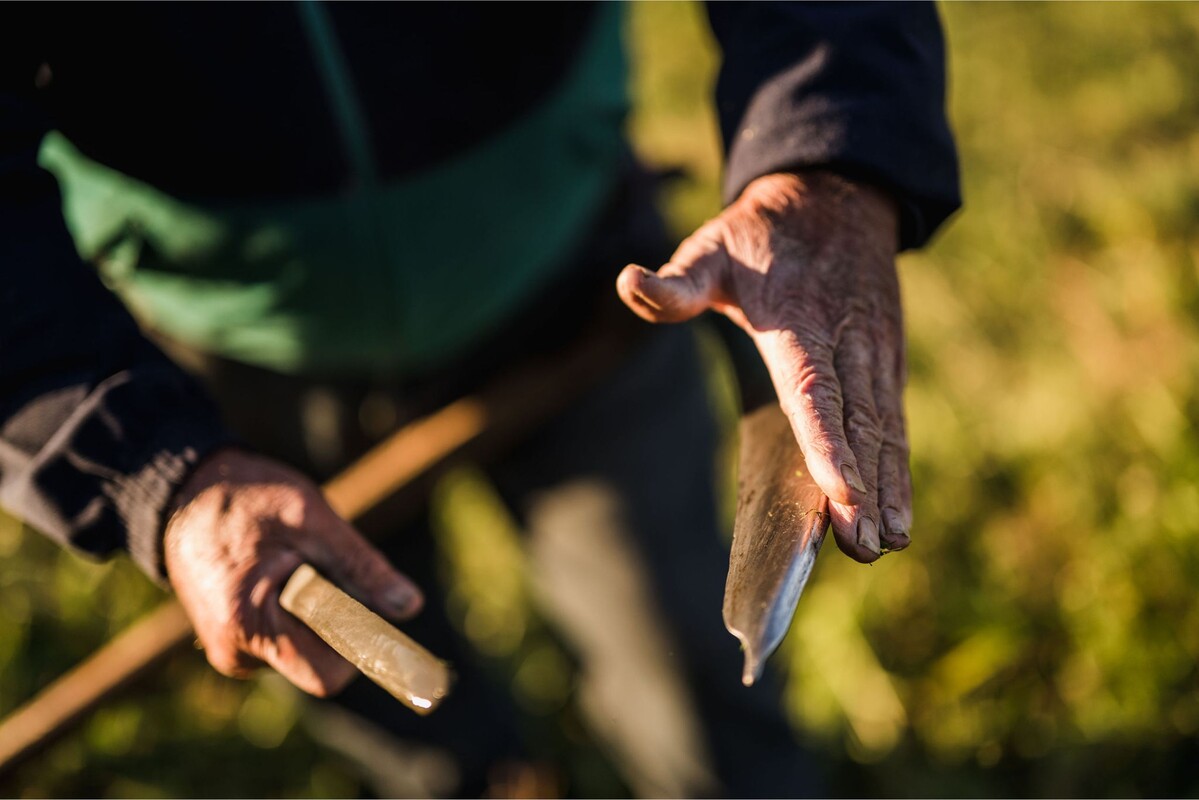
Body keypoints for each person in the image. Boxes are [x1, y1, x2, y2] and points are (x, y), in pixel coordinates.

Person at [0, 3, 959, 796]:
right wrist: (150, 467)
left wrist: (827, 153)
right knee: (394, 714)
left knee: (690, 659)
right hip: (229, 371)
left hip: (588, 294)